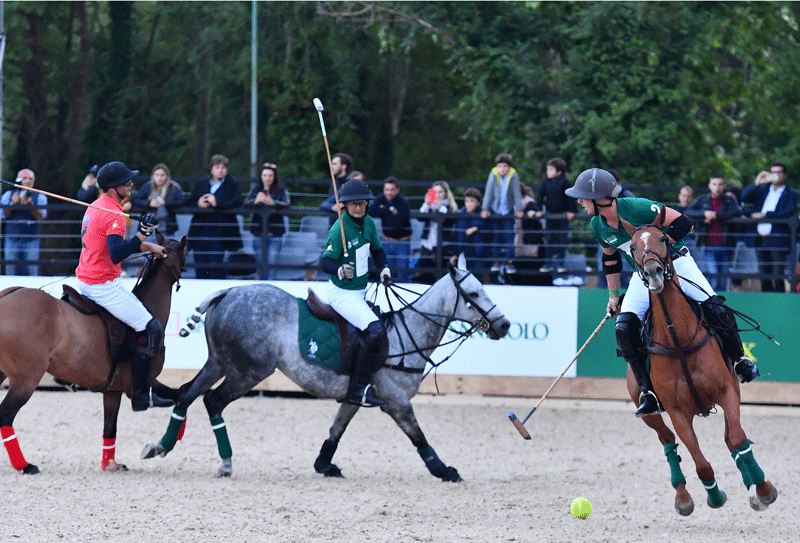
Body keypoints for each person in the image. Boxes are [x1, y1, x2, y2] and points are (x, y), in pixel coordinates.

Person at [565, 168, 760, 418]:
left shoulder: (638, 208)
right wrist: (613, 295)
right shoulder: (597, 225)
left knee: (716, 307)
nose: (579, 202)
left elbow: (683, 223)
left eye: (582, 197)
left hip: (677, 262)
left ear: (599, 198)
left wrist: (657, 249)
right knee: (624, 327)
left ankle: (740, 360)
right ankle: (648, 392)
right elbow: (610, 260)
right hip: (643, 274)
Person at [75, 161, 173, 412]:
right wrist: (142, 235)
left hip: (85, 279)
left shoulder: (97, 205)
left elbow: (108, 245)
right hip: (102, 285)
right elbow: (117, 253)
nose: (131, 184)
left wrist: (148, 245)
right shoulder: (114, 213)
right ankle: (141, 396)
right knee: (152, 328)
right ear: (113, 187)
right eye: (126, 181)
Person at [319, 179, 391, 407]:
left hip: (361, 291)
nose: (358, 208)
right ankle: (358, 388)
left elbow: (378, 251)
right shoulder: (338, 228)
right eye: (353, 204)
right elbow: (326, 261)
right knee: (376, 330)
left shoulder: (369, 223)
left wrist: (384, 269)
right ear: (346, 205)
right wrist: (339, 270)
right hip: (342, 293)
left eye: (362, 203)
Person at [741, 161, 798, 293]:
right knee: (764, 275)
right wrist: (757, 182)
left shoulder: (790, 194)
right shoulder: (763, 190)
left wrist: (764, 215)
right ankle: (766, 304)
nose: (776, 175)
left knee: (778, 275)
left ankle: (780, 305)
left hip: (777, 239)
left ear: (785, 175)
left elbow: (787, 212)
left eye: (778, 172)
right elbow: (744, 197)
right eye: (773, 172)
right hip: (760, 238)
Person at [185, 154, 243, 279]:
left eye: (223, 168)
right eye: (217, 167)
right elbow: (189, 202)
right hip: (200, 230)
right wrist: (198, 203)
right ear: (211, 169)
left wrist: (217, 203)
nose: (220, 170)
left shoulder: (232, 184)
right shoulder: (201, 183)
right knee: (200, 264)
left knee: (216, 265)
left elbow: (237, 202)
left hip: (220, 232)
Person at [684, 175, 743, 291]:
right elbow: (688, 211)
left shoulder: (729, 200)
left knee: (723, 280)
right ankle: (713, 305)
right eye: (714, 184)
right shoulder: (703, 200)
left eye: (720, 184)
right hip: (709, 245)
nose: (717, 187)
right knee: (713, 277)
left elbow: (735, 212)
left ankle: (723, 304)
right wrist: (704, 214)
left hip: (726, 245)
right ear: (709, 186)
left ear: (724, 186)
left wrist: (716, 216)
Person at [244, 162, 290, 280]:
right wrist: (256, 201)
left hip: (275, 234)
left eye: (270, 176)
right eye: (265, 175)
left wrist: (273, 203)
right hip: (258, 233)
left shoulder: (280, 191)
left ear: (274, 177)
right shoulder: (255, 190)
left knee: (272, 262)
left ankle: (272, 285)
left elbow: (287, 204)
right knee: (260, 263)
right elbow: (245, 204)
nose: (267, 178)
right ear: (261, 177)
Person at [481, 153, 523, 275]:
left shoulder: (513, 175)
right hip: (496, 210)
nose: (502, 169)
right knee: (496, 238)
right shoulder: (493, 174)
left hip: (508, 211)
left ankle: (509, 263)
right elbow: (488, 192)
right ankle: (496, 261)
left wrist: (519, 209)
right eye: (500, 166)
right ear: (496, 167)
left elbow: (517, 193)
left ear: (509, 167)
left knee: (509, 238)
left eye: (505, 166)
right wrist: (485, 208)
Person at [1, 169, 47, 276]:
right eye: (25, 178)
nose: (28, 181)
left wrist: (30, 206)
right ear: (18, 180)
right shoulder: (8, 195)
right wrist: (13, 204)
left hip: (31, 241)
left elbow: (41, 217)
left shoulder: (40, 196)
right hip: (11, 240)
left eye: (30, 179)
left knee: (32, 272)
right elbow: (3, 215)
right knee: (10, 273)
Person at [537, 157, 576, 273]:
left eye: (550, 170)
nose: (548, 172)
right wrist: (538, 210)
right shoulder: (545, 181)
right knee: (548, 239)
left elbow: (570, 199)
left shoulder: (565, 182)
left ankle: (560, 262)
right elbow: (539, 196)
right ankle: (548, 262)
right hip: (549, 215)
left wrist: (571, 211)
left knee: (562, 239)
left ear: (559, 172)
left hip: (562, 216)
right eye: (547, 169)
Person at [414, 180, 458, 283]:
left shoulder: (449, 207)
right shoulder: (429, 207)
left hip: (443, 249)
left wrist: (441, 208)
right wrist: (426, 204)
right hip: (427, 247)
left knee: (442, 280)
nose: (437, 195)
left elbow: (451, 219)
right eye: (435, 192)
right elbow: (419, 217)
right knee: (423, 278)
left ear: (446, 194)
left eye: (440, 192)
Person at [368, 176, 411, 280]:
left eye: (392, 190)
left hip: (402, 242)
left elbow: (398, 221)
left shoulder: (403, 202)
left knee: (401, 272)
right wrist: (389, 209)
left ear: (397, 190)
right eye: (387, 190)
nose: (389, 192)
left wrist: (383, 210)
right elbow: (371, 211)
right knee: (387, 271)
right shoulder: (381, 198)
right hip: (387, 240)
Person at [130, 163, 186, 237]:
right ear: (153, 176)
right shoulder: (148, 186)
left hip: (166, 229)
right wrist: (149, 203)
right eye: (157, 175)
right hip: (148, 229)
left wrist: (166, 203)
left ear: (167, 176)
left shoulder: (173, 187)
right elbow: (135, 199)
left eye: (162, 175)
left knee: (166, 248)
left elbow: (182, 201)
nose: (159, 178)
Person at [454, 187, 489, 265]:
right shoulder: (460, 214)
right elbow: (457, 235)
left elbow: (487, 229)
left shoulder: (483, 214)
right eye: (467, 201)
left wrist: (476, 228)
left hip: (478, 254)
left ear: (478, 203)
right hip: (463, 253)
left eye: (472, 201)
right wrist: (455, 254)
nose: (469, 204)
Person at [319, 153, 355, 217]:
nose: (331, 166)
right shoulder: (335, 182)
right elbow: (325, 204)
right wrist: (333, 207)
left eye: (334, 164)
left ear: (344, 166)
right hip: (335, 221)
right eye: (331, 164)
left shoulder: (350, 183)